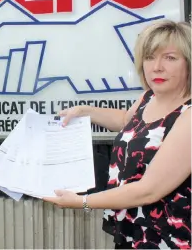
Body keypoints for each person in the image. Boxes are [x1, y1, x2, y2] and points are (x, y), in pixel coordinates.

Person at [43, 20, 191, 249]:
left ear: (188, 63)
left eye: (170, 58)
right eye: (150, 57)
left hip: (170, 236)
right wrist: (85, 111)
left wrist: (82, 201)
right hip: (134, 228)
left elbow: (149, 190)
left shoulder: (189, 115)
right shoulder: (148, 98)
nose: (157, 67)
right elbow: (127, 121)